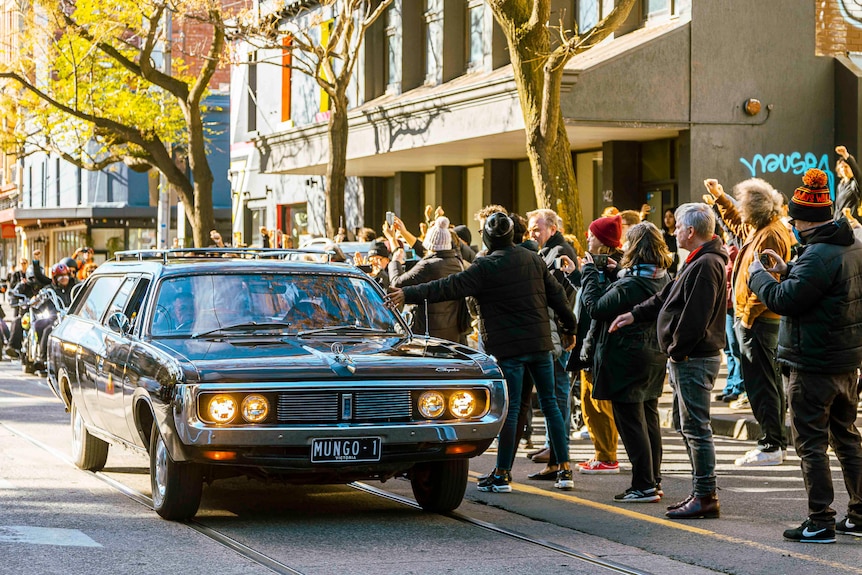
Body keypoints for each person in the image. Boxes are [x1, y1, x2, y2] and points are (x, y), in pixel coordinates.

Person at [385, 212, 577, 492]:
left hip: (510, 349)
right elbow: (557, 296)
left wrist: (408, 294)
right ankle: (564, 471)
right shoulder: (533, 259)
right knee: (551, 406)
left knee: (510, 412)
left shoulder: (485, 265)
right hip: (539, 345)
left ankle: (502, 474)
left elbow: (447, 287)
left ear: (488, 238)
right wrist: (569, 328)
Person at [748, 168, 862, 543]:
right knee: (847, 438)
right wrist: (788, 268)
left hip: (813, 363)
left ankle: (820, 520)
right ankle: (859, 514)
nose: (791, 226)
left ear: (804, 221)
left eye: (794, 220)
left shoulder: (817, 255)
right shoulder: (850, 246)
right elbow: (820, 288)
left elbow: (786, 299)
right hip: (845, 362)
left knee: (811, 444)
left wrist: (758, 277)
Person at [610, 203, 727, 519]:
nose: (673, 232)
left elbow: (695, 316)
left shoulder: (706, 263)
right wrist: (633, 315)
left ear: (690, 231)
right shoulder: (698, 260)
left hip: (693, 357)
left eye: (677, 227)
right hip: (688, 355)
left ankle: (705, 495)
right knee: (687, 426)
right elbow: (667, 297)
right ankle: (700, 493)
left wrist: (677, 349)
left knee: (696, 428)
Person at [706, 177, 793, 466]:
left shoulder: (770, 235)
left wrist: (747, 317)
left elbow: (768, 282)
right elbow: (736, 224)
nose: (740, 211)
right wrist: (720, 197)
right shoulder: (762, 228)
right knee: (764, 383)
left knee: (763, 385)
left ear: (755, 209)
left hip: (759, 322)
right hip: (756, 320)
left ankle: (771, 445)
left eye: (744, 206)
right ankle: (772, 442)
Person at [582, 222, 672, 502]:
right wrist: (615, 272)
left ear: (634, 248)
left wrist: (588, 273)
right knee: (649, 418)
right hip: (653, 354)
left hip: (626, 356)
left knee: (631, 422)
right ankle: (652, 479)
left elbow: (596, 307)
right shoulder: (661, 276)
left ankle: (643, 484)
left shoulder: (632, 283)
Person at [565, 215, 623, 475]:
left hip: (601, 345)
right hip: (591, 344)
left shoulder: (615, 268)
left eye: (592, 234)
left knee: (600, 404)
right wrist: (576, 275)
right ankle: (602, 453)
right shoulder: (600, 266)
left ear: (603, 241)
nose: (587, 238)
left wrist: (588, 273)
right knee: (589, 401)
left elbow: (597, 304)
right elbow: (591, 296)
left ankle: (607, 456)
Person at [524, 208, 577, 467]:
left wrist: (566, 330)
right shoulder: (547, 252)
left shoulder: (560, 253)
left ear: (553, 229)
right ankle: (551, 445)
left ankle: (556, 447)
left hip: (558, 334)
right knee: (554, 392)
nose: (533, 233)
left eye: (537, 228)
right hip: (555, 332)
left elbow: (558, 296)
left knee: (557, 392)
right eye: (531, 228)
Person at [387, 216, 466, 343]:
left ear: (430, 244)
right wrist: (403, 232)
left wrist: (395, 261)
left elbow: (397, 283)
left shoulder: (427, 266)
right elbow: (428, 249)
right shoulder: (457, 262)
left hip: (428, 333)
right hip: (451, 332)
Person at [32, 263, 74, 367]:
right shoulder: (50, 289)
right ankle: (42, 358)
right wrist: (38, 299)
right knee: (46, 329)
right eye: (60, 276)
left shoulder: (75, 288)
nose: (64, 278)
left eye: (65, 276)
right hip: (54, 318)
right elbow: (41, 298)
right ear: (55, 278)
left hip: (71, 319)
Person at [835, 145, 861, 218]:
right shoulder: (840, 185)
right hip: (840, 224)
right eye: (841, 167)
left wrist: (845, 154)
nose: (843, 169)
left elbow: (857, 175)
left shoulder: (855, 184)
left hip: (851, 224)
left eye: (846, 166)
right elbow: (838, 208)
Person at [662, 208, 679, 276]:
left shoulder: (679, 235)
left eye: (670, 216)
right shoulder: (662, 236)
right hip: (666, 270)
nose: (667, 219)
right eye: (665, 217)